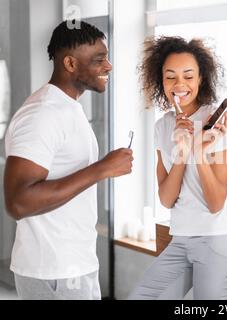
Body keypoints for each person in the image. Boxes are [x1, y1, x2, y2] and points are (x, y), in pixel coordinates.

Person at [3, 21, 133, 300]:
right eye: (99, 59)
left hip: (69, 266)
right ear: (70, 63)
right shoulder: (42, 114)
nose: (108, 66)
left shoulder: (67, 107)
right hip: (56, 272)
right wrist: (102, 169)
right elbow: (18, 202)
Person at [129, 36, 227, 300]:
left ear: (200, 79)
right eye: (170, 76)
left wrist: (197, 150)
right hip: (181, 240)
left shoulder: (214, 121)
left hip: (219, 240)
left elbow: (217, 202)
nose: (179, 84)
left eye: (188, 76)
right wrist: (181, 151)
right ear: (160, 80)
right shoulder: (162, 126)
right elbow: (167, 199)